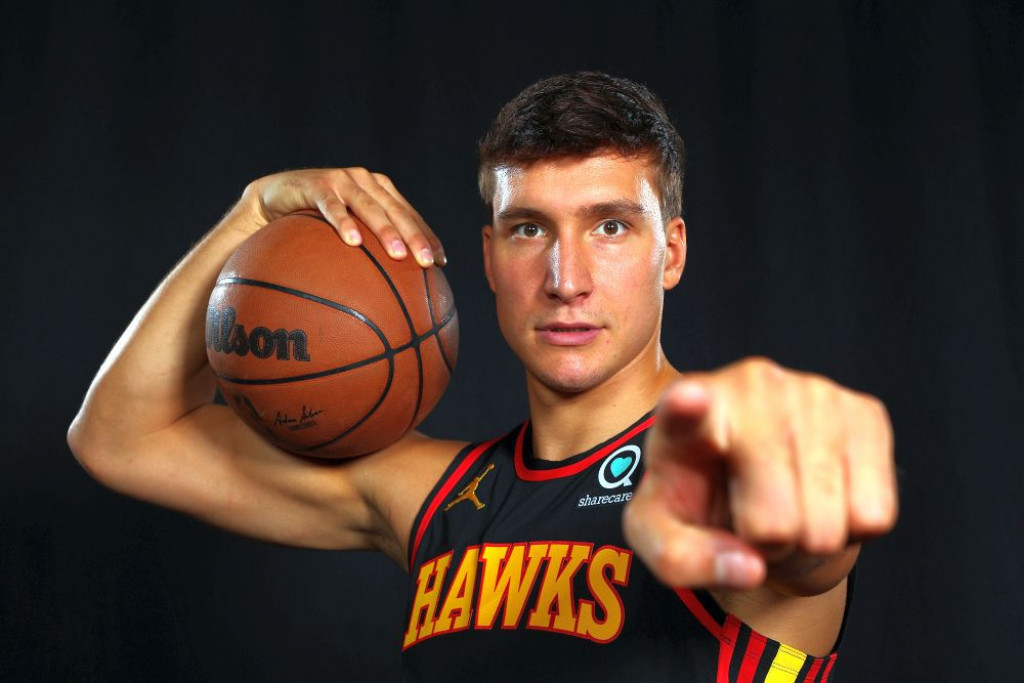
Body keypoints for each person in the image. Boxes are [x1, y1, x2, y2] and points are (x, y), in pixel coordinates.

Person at [68, 72, 897, 681]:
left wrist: (792, 484)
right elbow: (121, 438)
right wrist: (252, 215)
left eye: (610, 226)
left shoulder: (713, 469)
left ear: (670, 252)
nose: (566, 278)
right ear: (491, 257)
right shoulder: (430, 497)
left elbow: (807, 545)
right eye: (529, 228)